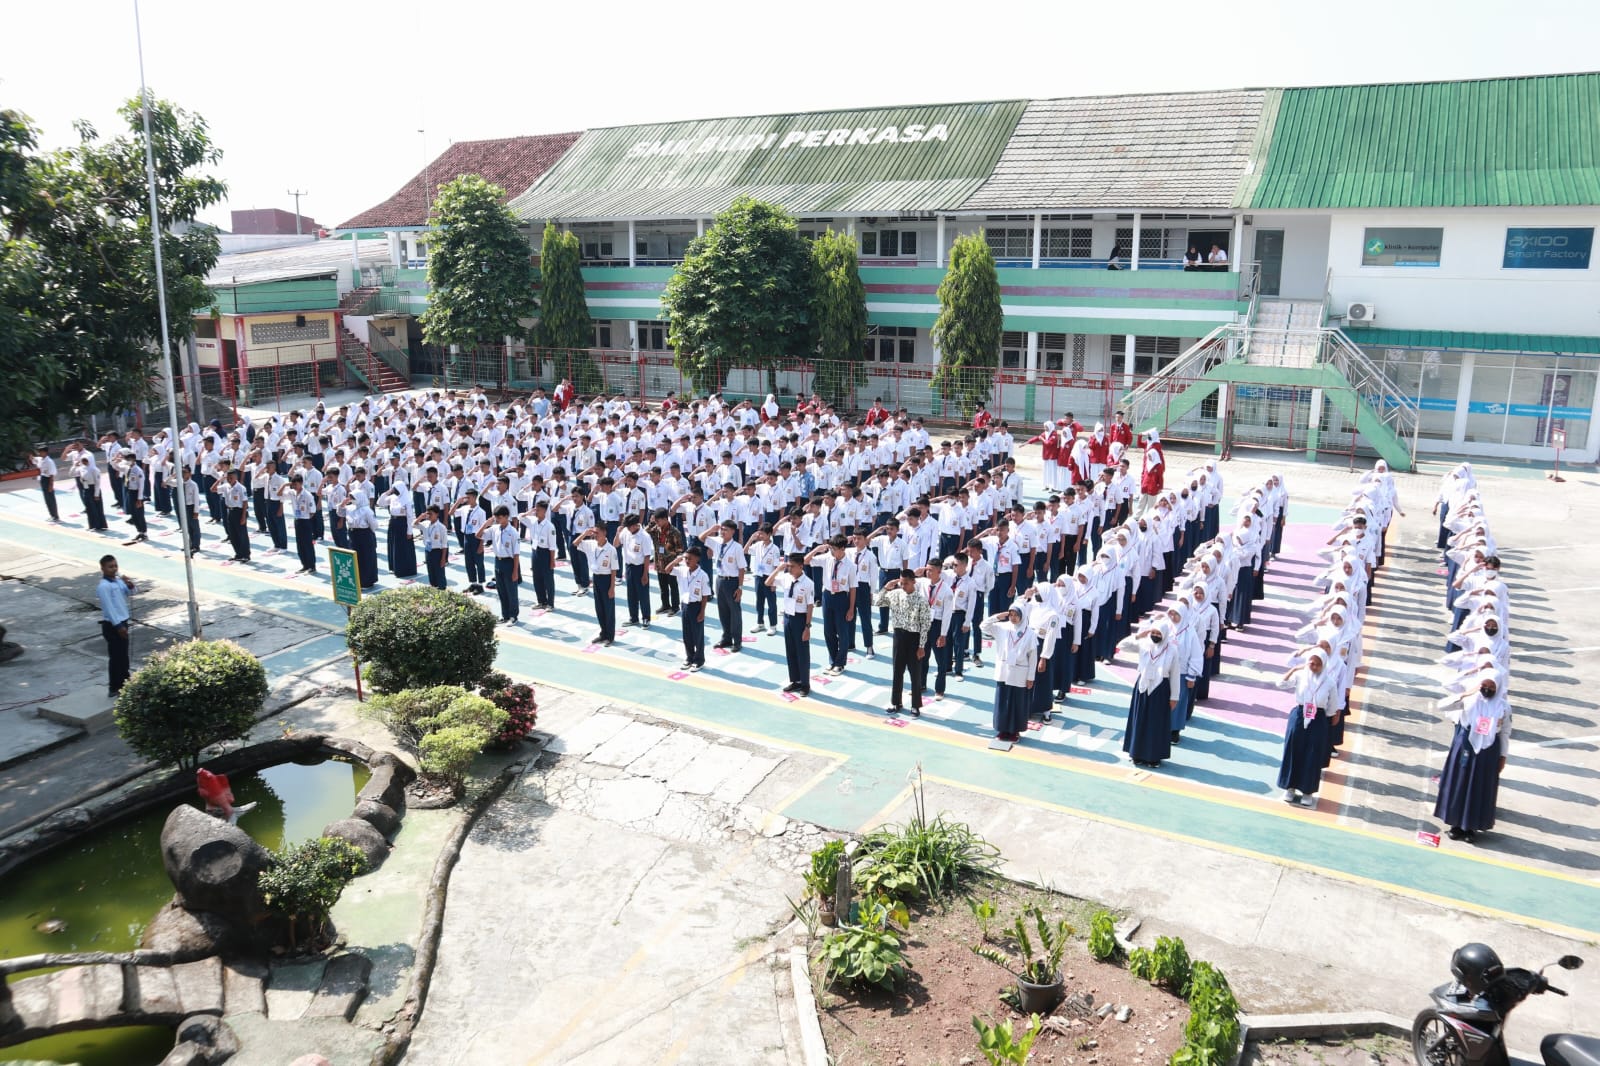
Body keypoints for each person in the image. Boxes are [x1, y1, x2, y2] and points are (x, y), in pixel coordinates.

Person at [1434, 669, 1510, 842]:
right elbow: (1442, 705)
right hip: (1465, 746)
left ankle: (1471, 827)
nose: (1487, 689)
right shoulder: (1470, 700)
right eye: (1484, 685)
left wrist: (1503, 756)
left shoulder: (1503, 707)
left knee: (1479, 787)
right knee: (1459, 784)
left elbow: (1505, 733)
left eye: (1491, 686)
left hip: (1488, 750)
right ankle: (1455, 824)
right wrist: (1466, 693)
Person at [1275, 648, 1338, 807]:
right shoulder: (1300, 676)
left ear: (1323, 664)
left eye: (1318, 664)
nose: (1314, 667)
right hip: (1299, 716)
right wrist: (1295, 668)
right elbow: (1280, 684)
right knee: (1293, 750)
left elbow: (1332, 707)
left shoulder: (1329, 682)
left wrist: (1323, 717)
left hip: (1317, 719)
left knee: (1312, 753)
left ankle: (1307, 791)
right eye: (1312, 663)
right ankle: (1290, 787)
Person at [873, 569, 931, 716]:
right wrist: (887, 587)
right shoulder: (895, 594)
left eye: (906, 583)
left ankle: (915, 705)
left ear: (913, 582)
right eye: (901, 582)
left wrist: (921, 646)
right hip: (899, 636)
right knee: (897, 671)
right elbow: (877, 601)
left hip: (914, 638)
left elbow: (925, 625)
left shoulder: (921, 600)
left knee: (915, 673)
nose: (903, 586)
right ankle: (896, 702)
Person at [1123, 624, 1180, 768]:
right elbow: (1122, 646)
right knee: (1140, 720)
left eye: (1158, 633)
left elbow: (1175, 674)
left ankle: (1154, 757)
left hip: (1160, 689)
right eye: (1153, 632)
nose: (1155, 635)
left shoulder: (1172, 650)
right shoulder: (1144, 644)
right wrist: (1140, 635)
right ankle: (1136, 753)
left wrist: (1174, 696)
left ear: (1165, 634)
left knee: (1156, 723)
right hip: (1142, 687)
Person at [981, 605, 1037, 741]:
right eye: (1011, 615)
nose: (1013, 618)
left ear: (1022, 616)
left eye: (1016, 615)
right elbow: (983, 626)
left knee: (1017, 703)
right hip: (1004, 670)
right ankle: (1002, 730)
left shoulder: (1029, 633)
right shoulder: (1002, 627)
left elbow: (1033, 656)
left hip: (1020, 672)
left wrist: (1031, 677)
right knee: (1002, 702)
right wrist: (998, 616)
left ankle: (1014, 731)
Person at [769, 552, 814, 696]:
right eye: (788, 566)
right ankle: (795, 680)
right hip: (788, 618)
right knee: (791, 651)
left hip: (800, 619)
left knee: (802, 653)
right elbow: (768, 582)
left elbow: (810, 606)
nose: (789, 569)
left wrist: (807, 627)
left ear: (801, 566)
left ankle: (805, 684)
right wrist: (778, 569)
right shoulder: (786, 577)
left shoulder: (808, 583)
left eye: (792, 566)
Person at [96, 554, 134, 696]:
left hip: (123, 621)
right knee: (116, 656)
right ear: (103, 569)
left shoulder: (118, 581)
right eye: (110, 567)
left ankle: (125, 680)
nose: (114, 569)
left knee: (123, 655)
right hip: (113, 625)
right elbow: (109, 608)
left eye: (115, 566)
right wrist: (119, 626)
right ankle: (114, 686)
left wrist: (129, 583)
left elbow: (131, 592)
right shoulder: (103, 586)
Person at [575, 526, 619, 645]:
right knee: (599, 608)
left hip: (606, 579)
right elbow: (575, 543)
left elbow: (614, 570)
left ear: (604, 532)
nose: (595, 535)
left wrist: (612, 588)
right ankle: (603, 633)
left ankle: (610, 636)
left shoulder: (611, 549)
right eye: (593, 532)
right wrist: (585, 533)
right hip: (596, 578)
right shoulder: (591, 544)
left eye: (597, 532)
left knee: (608, 609)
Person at [669, 546, 712, 670]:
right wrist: (676, 561)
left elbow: (705, 595)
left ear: (697, 559)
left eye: (689, 558)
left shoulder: (703, 575)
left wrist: (702, 612)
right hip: (685, 605)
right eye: (686, 558)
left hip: (696, 606)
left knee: (697, 635)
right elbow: (667, 570)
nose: (687, 561)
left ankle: (699, 660)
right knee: (687, 634)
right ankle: (689, 657)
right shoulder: (682, 570)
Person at [483, 506, 522, 625]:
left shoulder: (513, 532)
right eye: (496, 517)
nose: (497, 520)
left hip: (509, 562)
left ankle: (513, 616)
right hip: (498, 561)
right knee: (501, 590)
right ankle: (505, 615)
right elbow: (478, 535)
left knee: (511, 591)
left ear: (506, 517)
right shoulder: (494, 528)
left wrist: (515, 571)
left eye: (499, 517)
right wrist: (486, 524)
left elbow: (516, 554)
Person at [418, 505, 449, 589]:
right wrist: (421, 517)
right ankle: (433, 586)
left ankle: (442, 587)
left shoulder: (441, 527)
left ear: (437, 514)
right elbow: (413, 524)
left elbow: (444, 544)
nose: (429, 516)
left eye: (431, 514)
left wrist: (443, 558)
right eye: (428, 514)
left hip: (437, 552)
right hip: (428, 550)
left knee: (439, 571)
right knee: (430, 570)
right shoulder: (425, 524)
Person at [32, 446, 60, 522]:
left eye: (41, 452)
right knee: (47, 499)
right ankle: (51, 515)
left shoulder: (49, 462)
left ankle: (55, 516)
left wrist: (51, 486)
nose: (39, 453)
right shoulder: (40, 459)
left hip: (48, 480)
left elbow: (52, 475)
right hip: (43, 479)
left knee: (50, 499)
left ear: (45, 452)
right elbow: (34, 460)